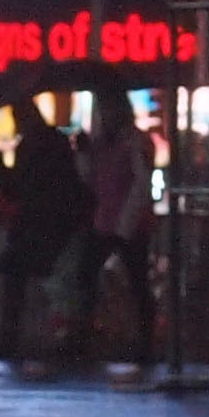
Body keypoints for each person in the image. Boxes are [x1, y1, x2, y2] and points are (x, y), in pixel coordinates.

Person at [0, 108, 87, 363]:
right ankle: (65, 340)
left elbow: (12, 189)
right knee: (60, 288)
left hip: (33, 226)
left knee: (17, 284)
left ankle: (10, 341)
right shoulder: (56, 142)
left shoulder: (28, 146)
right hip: (57, 227)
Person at [78, 98, 155, 362]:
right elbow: (91, 179)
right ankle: (132, 339)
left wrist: (125, 225)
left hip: (123, 225)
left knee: (134, 283)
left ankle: (141, 341)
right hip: (110, 223)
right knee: (128, 283)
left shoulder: (132, 143)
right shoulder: (105, 145)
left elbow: (140, 185)